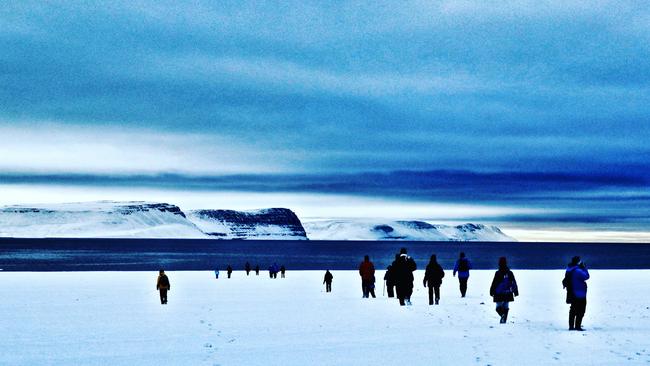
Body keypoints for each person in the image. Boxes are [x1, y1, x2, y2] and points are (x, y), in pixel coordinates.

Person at [489, 257, 519, 324]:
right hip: (508, 292)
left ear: (499, 263)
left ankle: (502, 316)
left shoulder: (497, 273)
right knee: (506, 307)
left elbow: (494, 283)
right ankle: (504, 320)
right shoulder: (510, 273)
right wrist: (516, 291)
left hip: (499, 293)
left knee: (498, 308)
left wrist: (491, 291)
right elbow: (513, 282)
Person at [563, 256, 590, 331]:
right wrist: (584, 268)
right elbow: (586, 276)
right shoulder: (577, 270)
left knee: (573, 310)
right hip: (579, 293)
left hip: (572, 292)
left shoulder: (569, 269)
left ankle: (571, 326)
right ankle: (577, 326)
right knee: (581, 310)